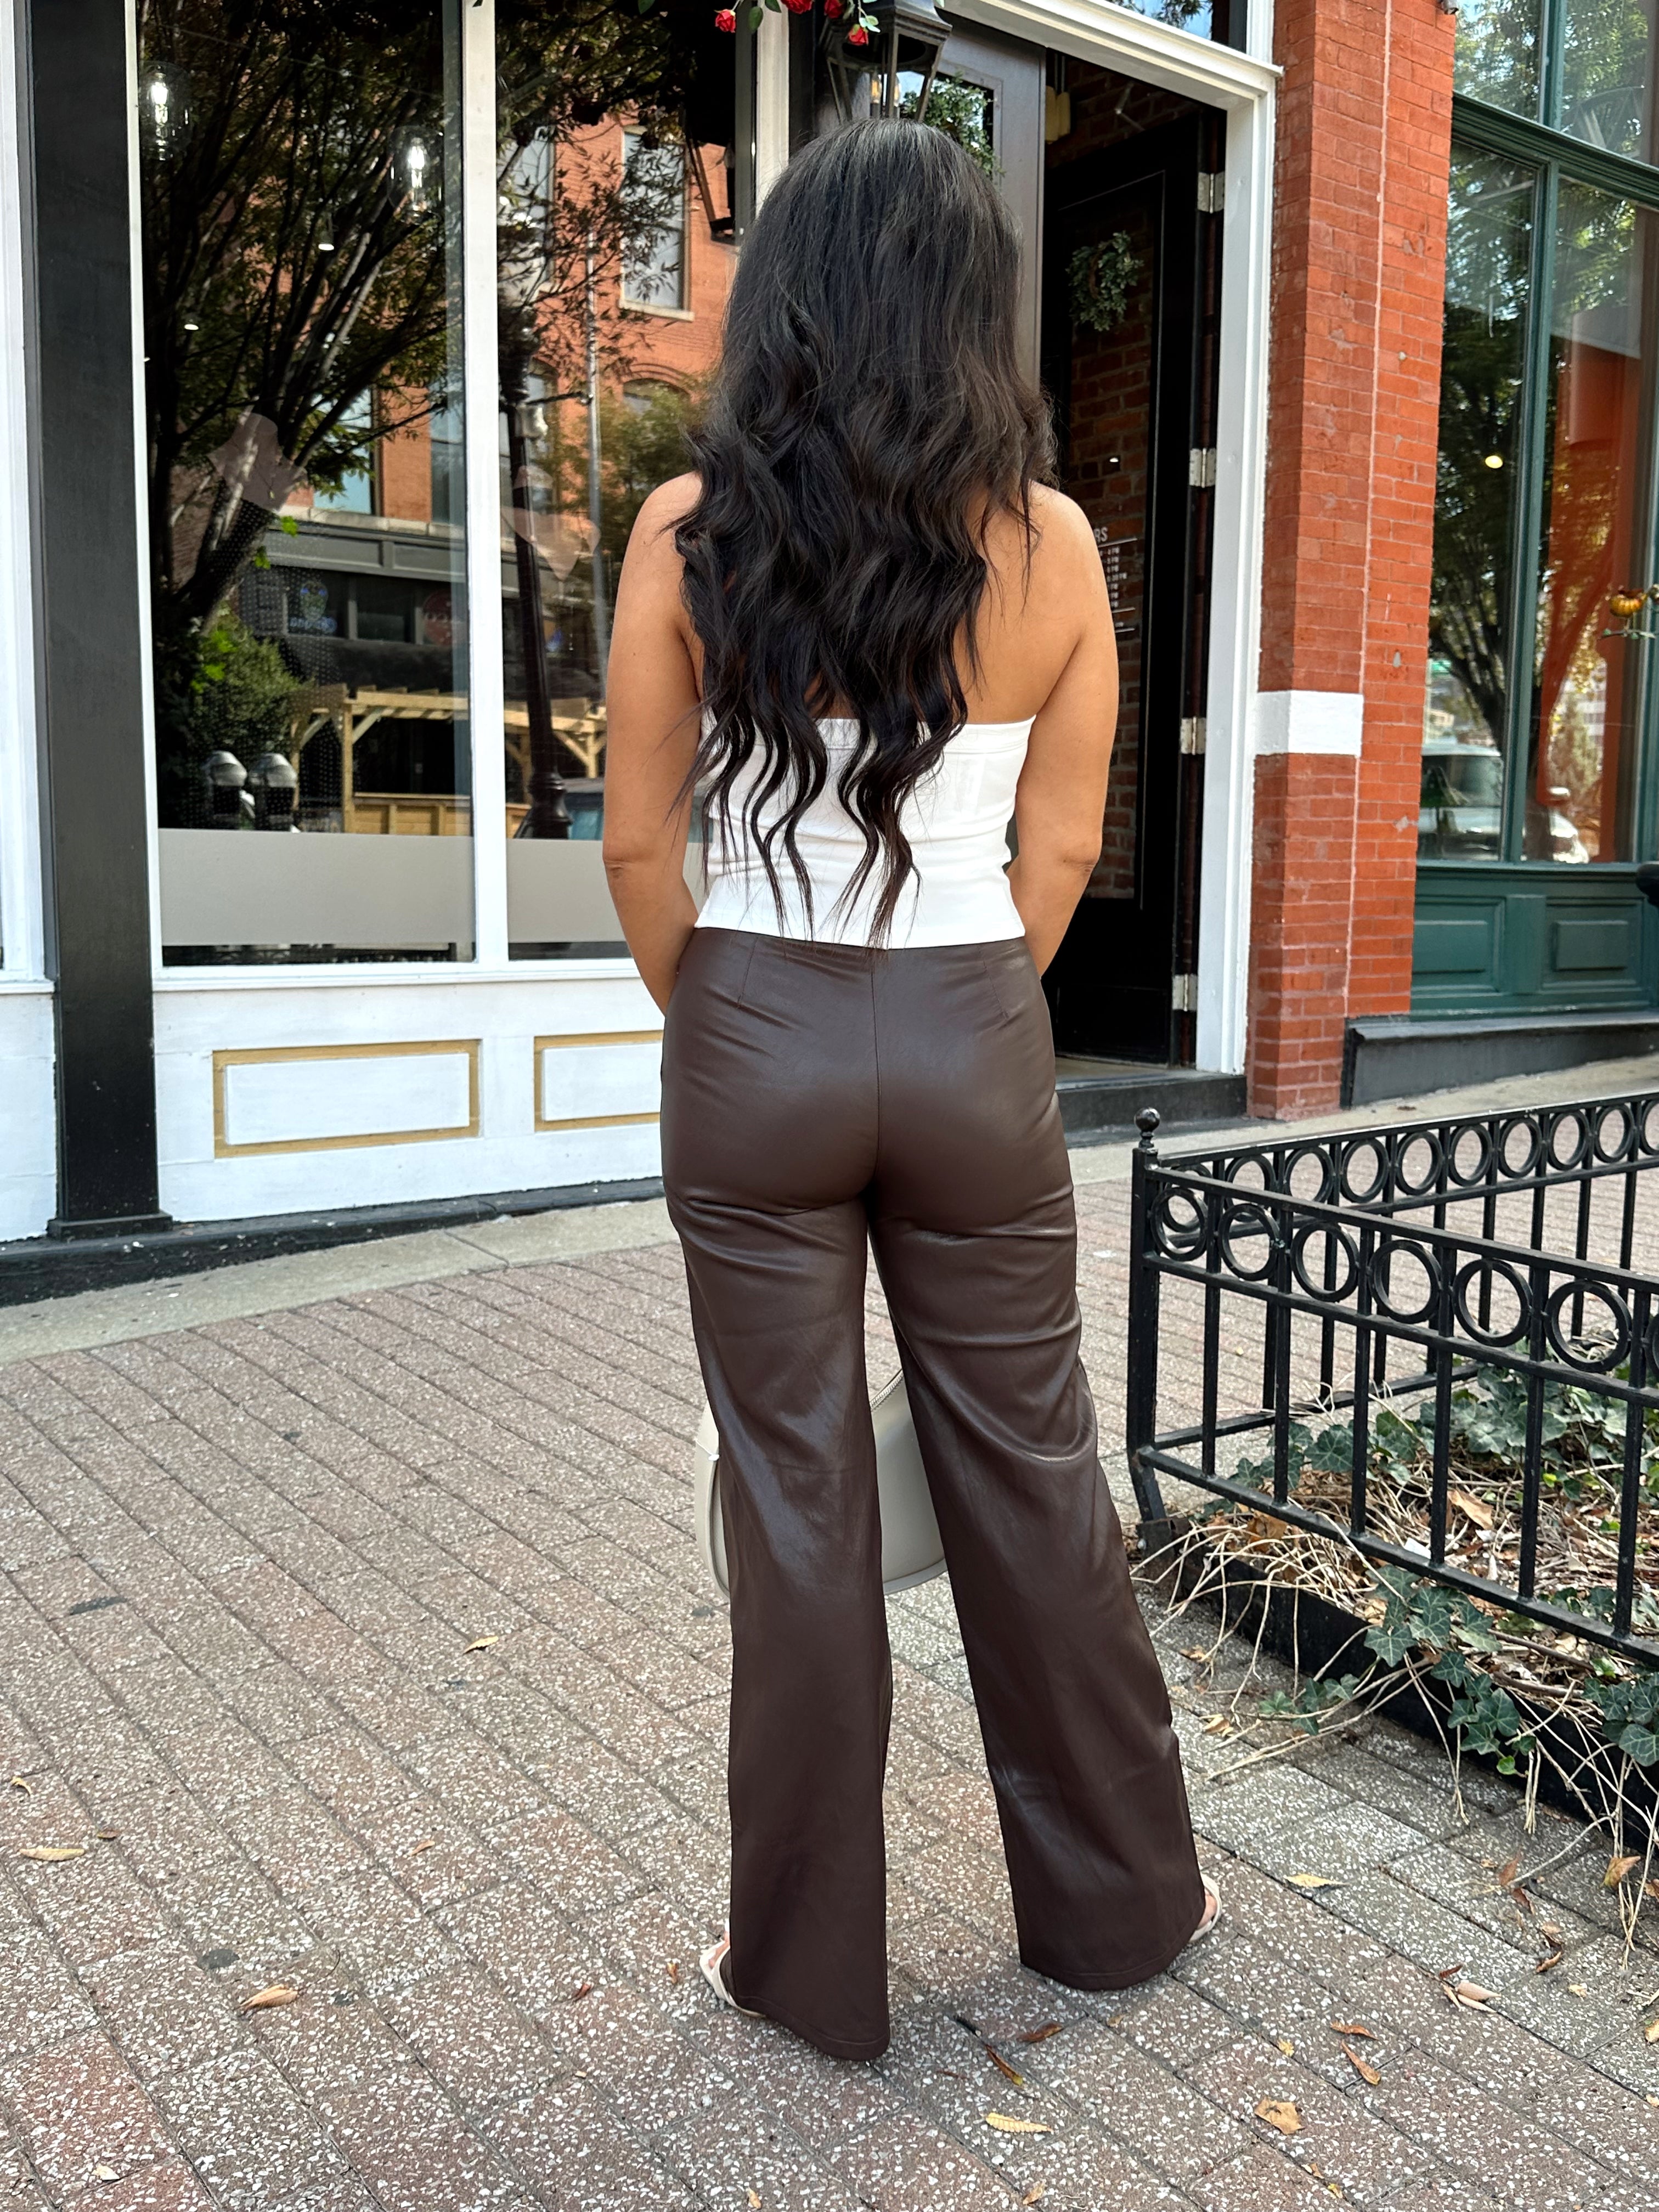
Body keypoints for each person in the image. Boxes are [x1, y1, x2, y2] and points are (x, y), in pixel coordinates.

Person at [601, 117, 1215, 2065]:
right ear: (973, 314)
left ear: (783, 296)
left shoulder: (685, 533)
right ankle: (1123, 1907)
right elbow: (1063, 852)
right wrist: (958, 1009)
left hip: (752, 1038)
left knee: (796, 1500)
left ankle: (803, 1970)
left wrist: (730, 1013)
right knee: (1035, 1469)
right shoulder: (1057, 548)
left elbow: (637, 846)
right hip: (970, 1030)